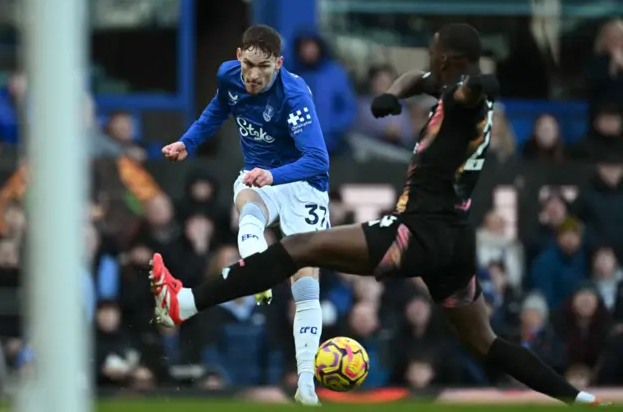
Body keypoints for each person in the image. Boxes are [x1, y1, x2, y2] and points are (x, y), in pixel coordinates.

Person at [153, 23, 607, 405]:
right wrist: (393, 93)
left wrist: (477, 84)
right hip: (454, 243)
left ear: (451, 59)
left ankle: (185, 303)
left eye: (434, 50)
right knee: (485, 341)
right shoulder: (448, 85)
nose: (428, 57)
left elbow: (474, 92)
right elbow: (418, 79)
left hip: (417, 232)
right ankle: (578, 398)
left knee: (297, 249)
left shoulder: (468, 99)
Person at [160, 25, 329, 405]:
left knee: (306, 286)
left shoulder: (296, 95)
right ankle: (257, 268)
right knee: (248, 203)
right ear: (239, 56)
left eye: (264, 67)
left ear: (279, 64)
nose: (253, 75)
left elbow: (318, 158)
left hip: (303, 185)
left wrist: (276, 174)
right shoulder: (228, 76)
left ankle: (306, 384)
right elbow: (218, 108)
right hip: (259, 178)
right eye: (248, 64)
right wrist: (188, 141)